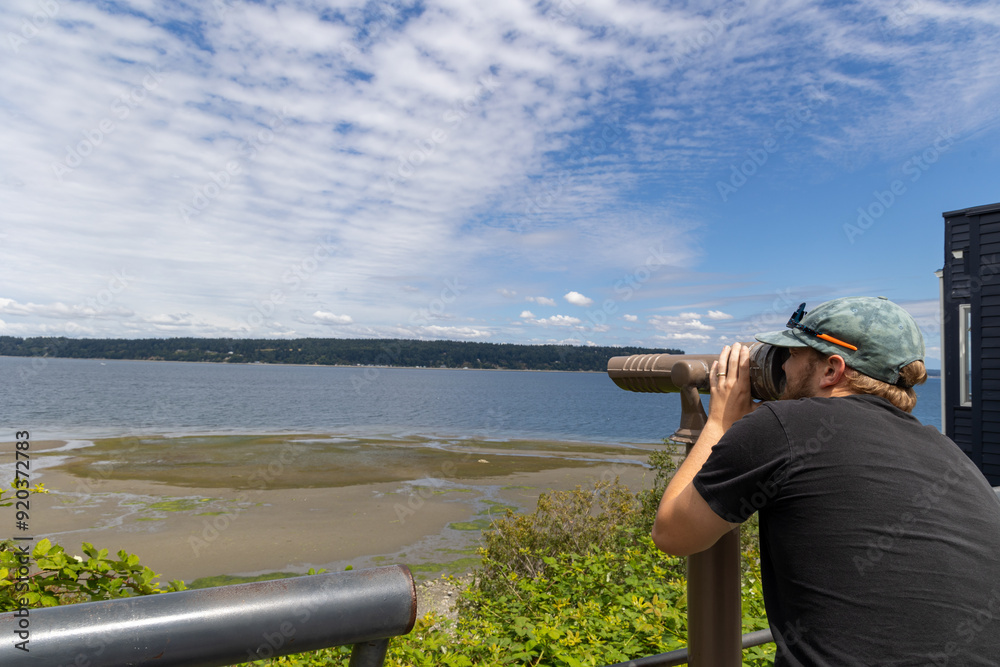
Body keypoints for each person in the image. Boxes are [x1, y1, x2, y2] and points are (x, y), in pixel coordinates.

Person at [651, 296, 1000, 665]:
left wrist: (720, 422)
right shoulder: (950, 453)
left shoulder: (786, 424)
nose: (781, 366)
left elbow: (674, 534)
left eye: (792, 355)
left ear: (832, 369)